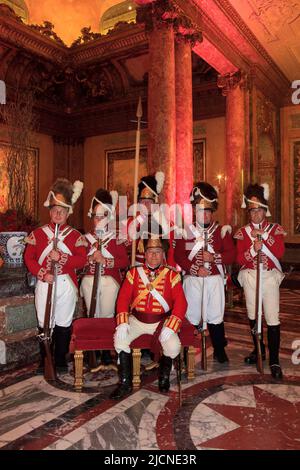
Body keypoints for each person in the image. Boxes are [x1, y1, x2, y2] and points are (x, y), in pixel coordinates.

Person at [110, 231, 187, 399]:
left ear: (163, 254)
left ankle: (164, 377)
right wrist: (123, 321)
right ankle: (125, 382)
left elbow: (181, 303)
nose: (154, 255)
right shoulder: (134, 273)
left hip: (161, 322)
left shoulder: (172, 275)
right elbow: (122, 299)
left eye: (158, 251)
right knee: (120, 339)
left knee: (173, 346)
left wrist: (172, 325)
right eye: (150, 251)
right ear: (144, 254)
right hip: (136, 319)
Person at [24, 178, 87, 373]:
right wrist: (42, 273)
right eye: (54, 210)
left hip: (66, 284)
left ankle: (59, 360)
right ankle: (45, 360)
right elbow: (29, 258)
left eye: (62, 210)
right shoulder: (38, 233)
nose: (58, 213)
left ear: (68, 212)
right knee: (44, 323)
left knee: (63, 322)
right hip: (45, 282)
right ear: (49, 211)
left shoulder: (76, 236)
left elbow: (82, 260)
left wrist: (62, 257)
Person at [174, 182, 235, 363]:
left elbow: (231, 255)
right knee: (191, 315)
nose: (206, 214)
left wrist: (214, 258)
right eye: (202, 211)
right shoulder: (186, 232)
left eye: (208, 211)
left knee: (216, 315)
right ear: (195, 211)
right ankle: (186, 349)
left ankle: (219, 348)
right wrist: (194, 269)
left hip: (214, 280)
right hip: (193, 280)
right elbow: (179, 256)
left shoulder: (221, 231)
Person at [234, 183, 286, 379]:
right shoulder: (243, 232)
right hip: (250, 277)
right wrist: (253, 251)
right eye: (251, 211)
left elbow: (279, 252)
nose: (255, 214)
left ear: (265, 210)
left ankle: (274, 359)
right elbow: (240, 259)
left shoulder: (275, 229)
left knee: (272, 318)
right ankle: (259, 350)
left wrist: (264, 238)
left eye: (258, 210)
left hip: (269, 277)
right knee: (253, 316)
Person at [80, 188, 130, 364]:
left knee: (107, 315)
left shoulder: (116, 238)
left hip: (109, 281)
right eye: (96, 216)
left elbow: (124, 261)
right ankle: (93, 349)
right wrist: (90, 258)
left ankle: (107, 349)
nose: (98, 219)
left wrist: (106, 261)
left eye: (102, 216)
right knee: (93, 315)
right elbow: (78, 262)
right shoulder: (85, 239)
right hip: (89, 281)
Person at [126, 171, 176, 267]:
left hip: (161, 268)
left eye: (149, 201)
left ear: (155, 202)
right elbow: (127, 248)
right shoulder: (131, 222)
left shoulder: (167, 224)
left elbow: (170, 252)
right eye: (142, 201)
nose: (146, 204)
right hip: (138, 268)